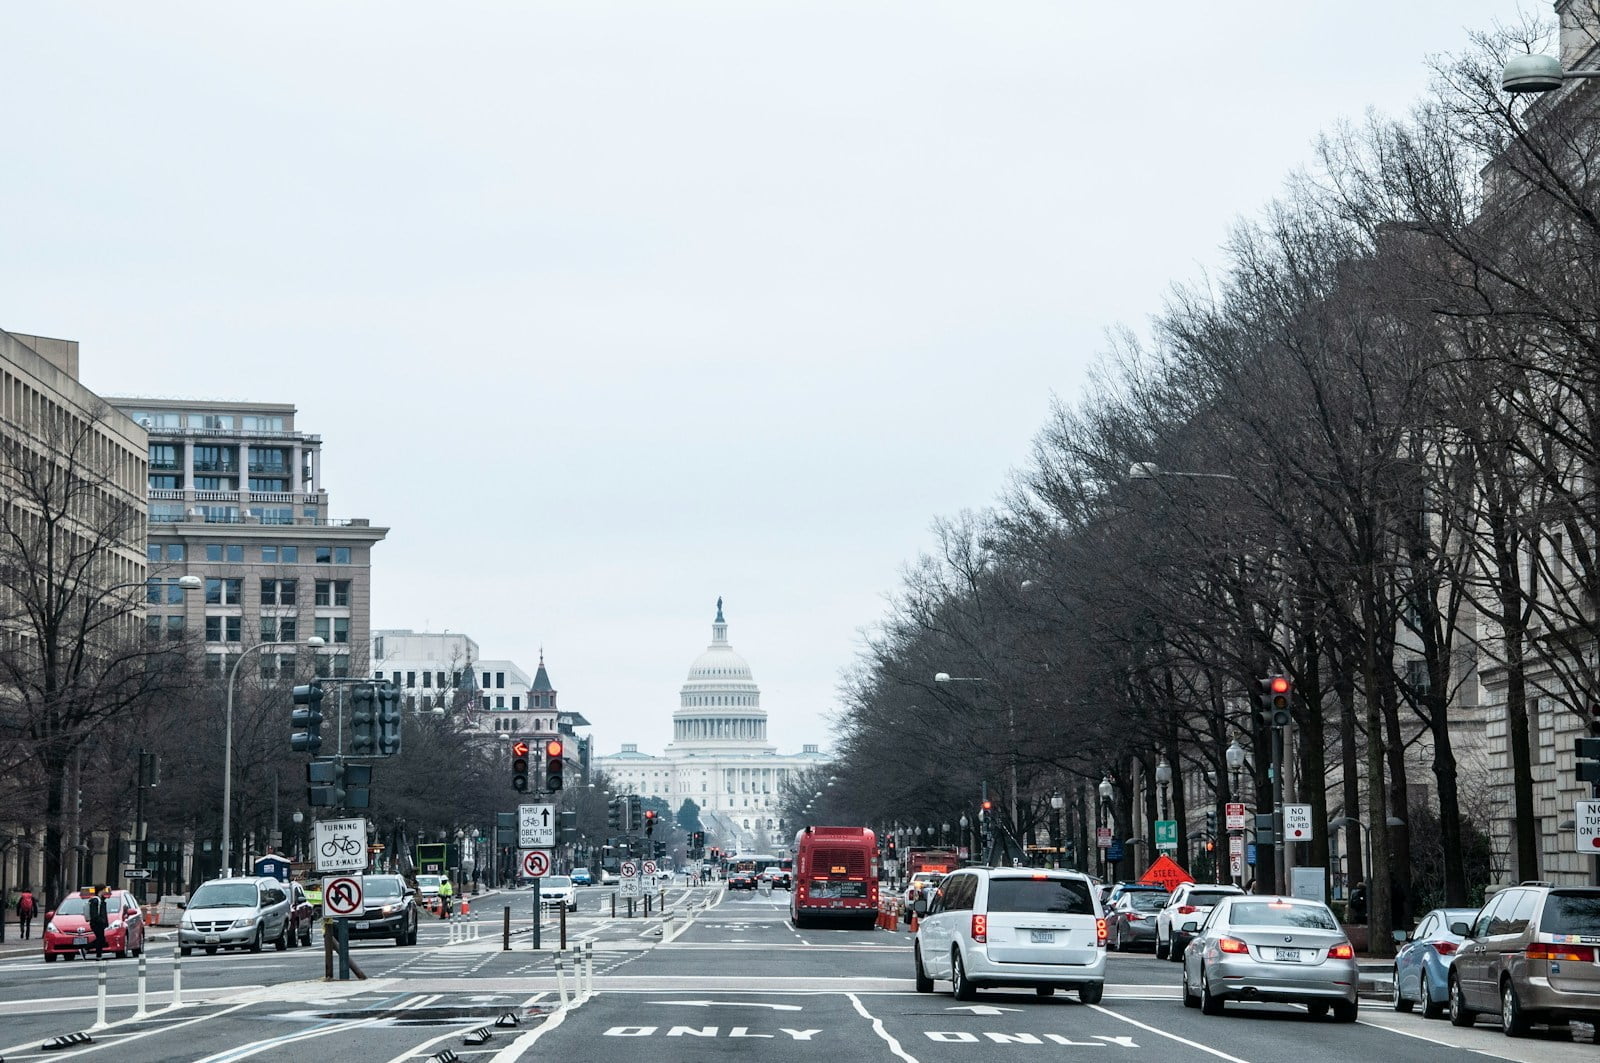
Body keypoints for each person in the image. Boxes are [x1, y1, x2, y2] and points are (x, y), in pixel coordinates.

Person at [86, 886, 110, 959]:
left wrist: (105, 922)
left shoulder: (101, 900)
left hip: (100, 923)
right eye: (103, 890)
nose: (104, 892)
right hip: (96, 923)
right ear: (100, 891)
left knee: (100, 939)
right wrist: (101, 920)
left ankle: (98, 955)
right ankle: (88, 949)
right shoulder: (95, 900)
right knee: (100, 939)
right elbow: (94, 914)